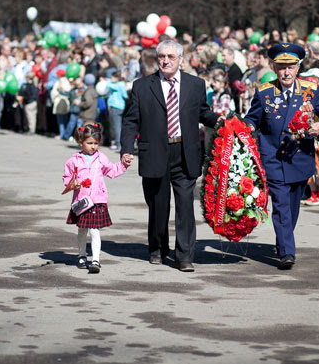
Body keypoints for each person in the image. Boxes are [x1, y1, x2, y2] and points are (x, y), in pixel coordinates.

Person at [120, 40, 221, 272]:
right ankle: (157, 247)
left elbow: (202, 111)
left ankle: (184, 256)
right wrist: (126, 148)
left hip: (184, 153)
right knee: (158, 205)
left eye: (171, 57)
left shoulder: (195, 85)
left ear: (181, 60)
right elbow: (131, 120)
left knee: (185, 206)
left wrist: (219, 120)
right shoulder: (143, 86)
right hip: (155, 152)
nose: (166, 61)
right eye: (162, 57)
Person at [244, 43, 319, 269]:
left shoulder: (310, 90)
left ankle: (283, 240)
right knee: (281, 205)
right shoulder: (264, 92)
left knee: (293, 207)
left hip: (300, 157)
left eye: (291, 67)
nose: (286, 72)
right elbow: (252, 119)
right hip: (273, 158)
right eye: (282, 67)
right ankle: (287, 252)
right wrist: (244, 128)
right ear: (274, 67)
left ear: (298, 68)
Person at [62, 123, 128, 273]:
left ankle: (96, 260)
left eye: (96, 143)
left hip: (98, 200)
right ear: (80, 143)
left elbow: (112, 170)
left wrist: (124, 164)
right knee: (82, 230)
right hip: (81, 201)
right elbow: (66, 177)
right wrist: (73, 183)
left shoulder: (101, 158)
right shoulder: (74, 160)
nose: (93, 146)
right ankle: (81, 255)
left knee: (95, 230)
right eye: (89, 143)